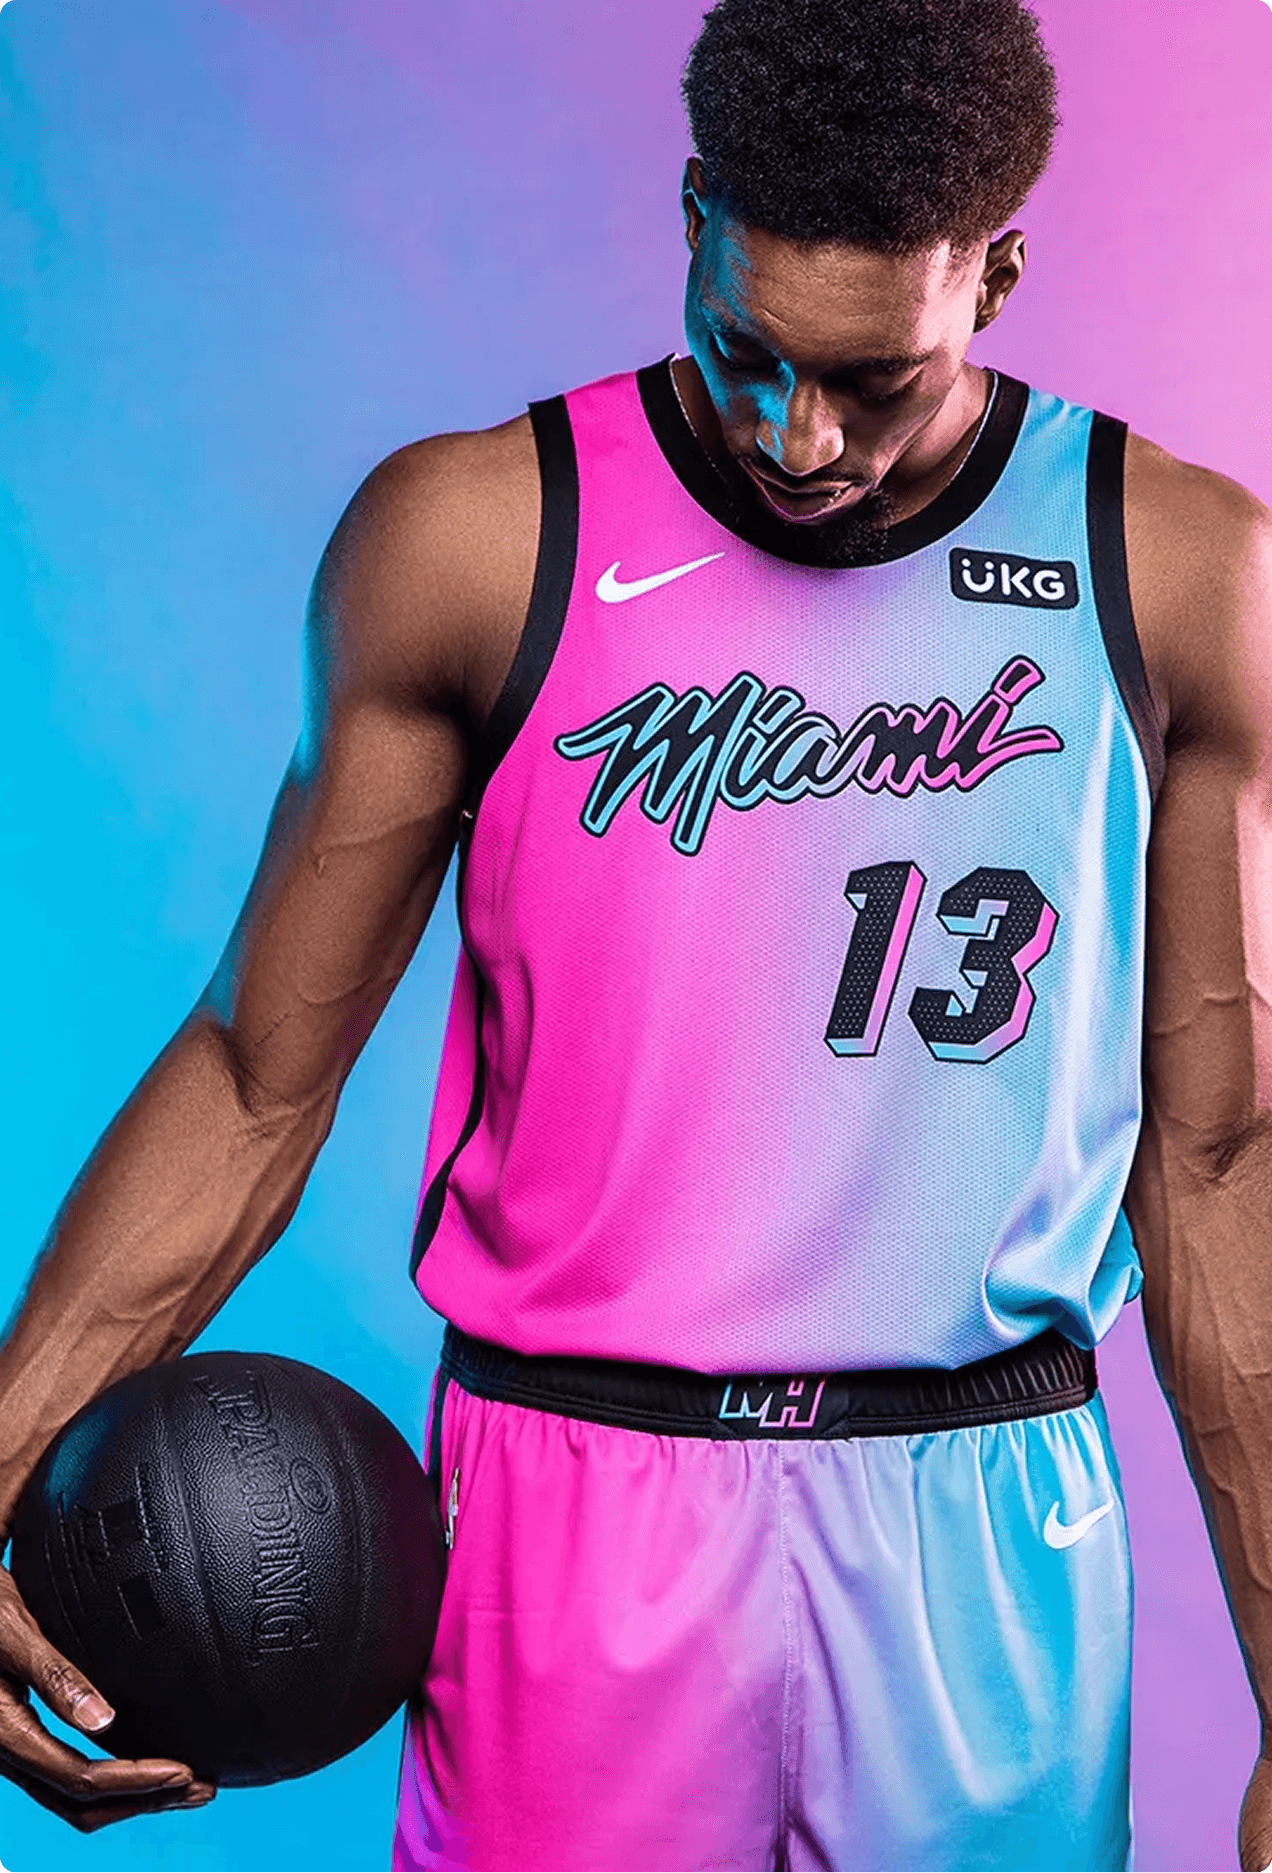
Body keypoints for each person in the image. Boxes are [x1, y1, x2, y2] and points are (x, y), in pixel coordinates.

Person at [3, 0, 1272, 1866]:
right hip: (565, 1507)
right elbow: (257, 1074)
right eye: (748, 354)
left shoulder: (1178, 572)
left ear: (997, 277)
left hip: (989, 1517)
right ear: (692, 217)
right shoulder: (473, 536)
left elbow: (1219, 1160)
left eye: (873, 381)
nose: (798, 437)